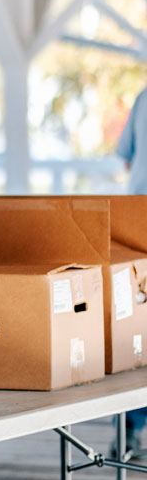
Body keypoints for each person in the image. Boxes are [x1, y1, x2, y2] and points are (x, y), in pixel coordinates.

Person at [112, 93, 147, 459]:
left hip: (138, 218)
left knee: (136, 329)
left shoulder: (144, 96)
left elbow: (125, 158)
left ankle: (128, 431)